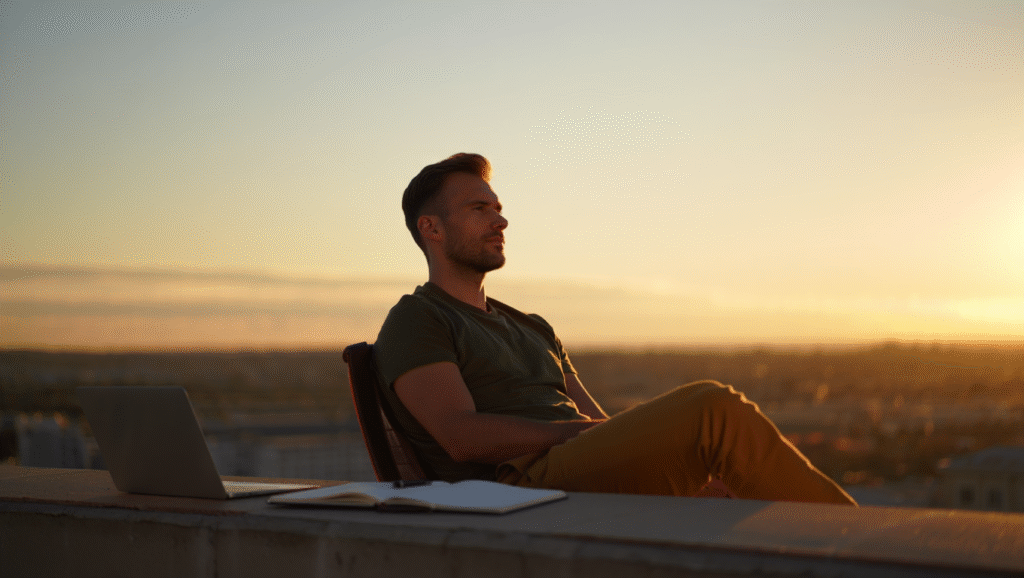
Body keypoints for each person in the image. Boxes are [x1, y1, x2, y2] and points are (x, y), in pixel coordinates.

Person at [374, 153, 856, 505]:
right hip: (517, 487)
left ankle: (843, 541)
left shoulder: (533, 327)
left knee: (726, 476)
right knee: (713, 408)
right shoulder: (419, 319)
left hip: (574, 470)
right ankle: (859, 542)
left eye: (497, 207)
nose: (501, 220)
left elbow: (596, 424)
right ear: (432, 229)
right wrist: (574, 435)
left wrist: (687, 475)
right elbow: (461, 437)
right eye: (479, 209)